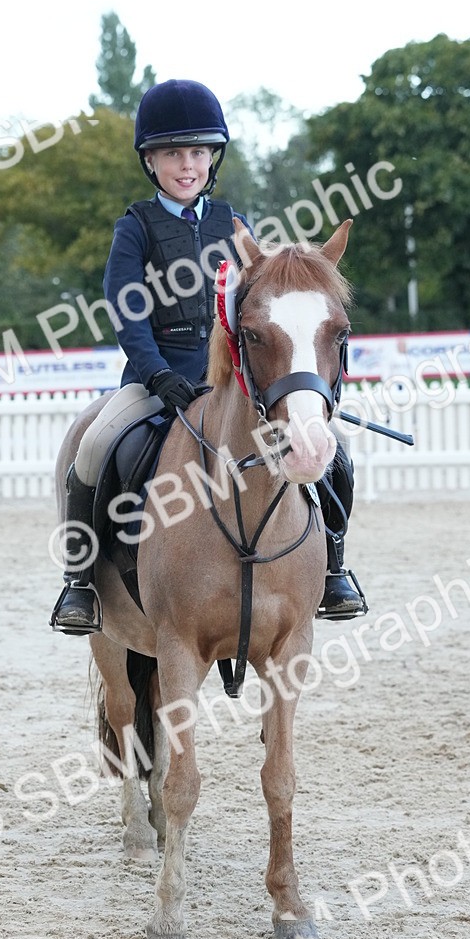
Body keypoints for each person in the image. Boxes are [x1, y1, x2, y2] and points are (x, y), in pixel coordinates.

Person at [50, 78, 365, 634]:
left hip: (231, 384)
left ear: (212, 158)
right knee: (96, 447)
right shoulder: (135, 228)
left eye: (198, 152)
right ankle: (80, 584)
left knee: (332, 452)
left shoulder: (232, 226)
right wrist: (160, 376)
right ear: (151, 161)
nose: (188, 164)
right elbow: (128, 313)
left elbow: (260, 309)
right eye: (174, 154)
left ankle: (335, 568)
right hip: (155, 380)